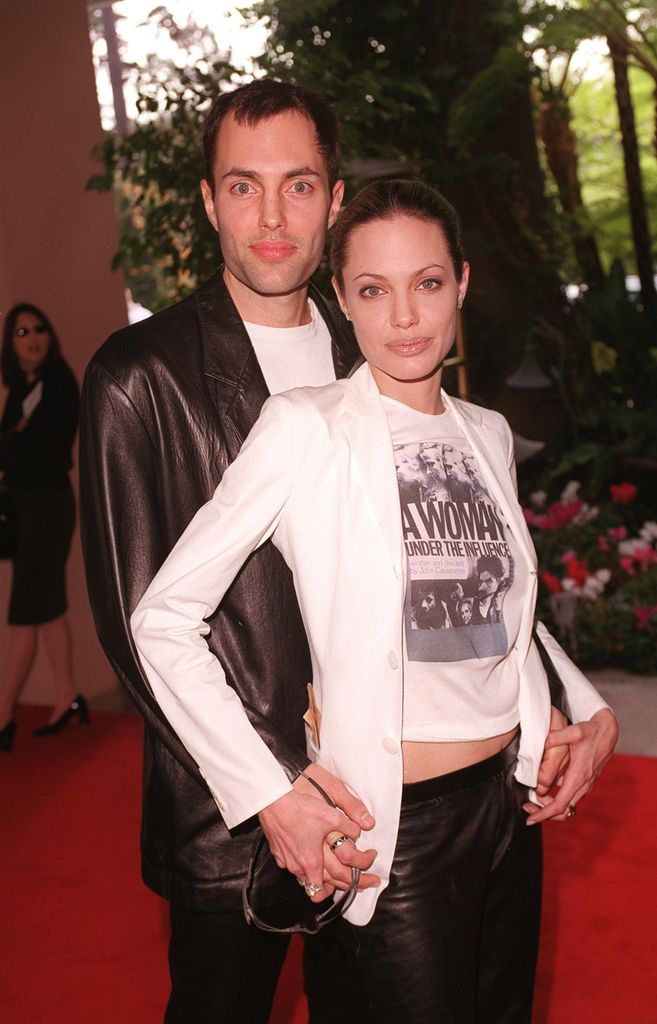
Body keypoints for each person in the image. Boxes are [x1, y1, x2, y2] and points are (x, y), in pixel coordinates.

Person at [130, 179, 618, 1023]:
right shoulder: (305, 430)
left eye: (427, 284)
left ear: (460, 284)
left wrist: (587, 702)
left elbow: (502, 612)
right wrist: (268, 794)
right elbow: (161, 618)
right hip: (401, 830)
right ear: (342, 302)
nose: (404, 317)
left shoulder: (487, 434)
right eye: (372, 290)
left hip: (507, 810)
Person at [79, 79, 377, 1024]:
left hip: (374, 790)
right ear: (209, 201)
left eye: (299, 185)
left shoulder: (371, 356)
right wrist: (274, 797)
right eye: (244, 186)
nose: (272, 216)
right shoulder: (138, 378)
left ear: (335, 201)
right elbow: (139, 628)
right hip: (230, 813)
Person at [0, 303, 84, 752]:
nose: (32, 337)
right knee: (47, 609)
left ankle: (3, 714)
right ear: (10, 344)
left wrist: (15, 440)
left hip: (48, 508)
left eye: (39, 329)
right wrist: (16, 439)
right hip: (29, 508)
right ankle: (67, 693)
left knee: (23, 617)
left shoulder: (58, 383)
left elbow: (36, 449)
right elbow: (11, 445)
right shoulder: (22, 389)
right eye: (21, 331)